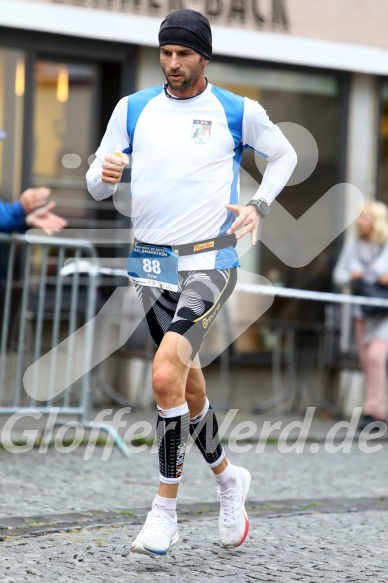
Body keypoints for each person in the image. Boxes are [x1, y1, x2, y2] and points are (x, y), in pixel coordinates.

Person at [86, 9, 297, 556]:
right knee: (187, 387)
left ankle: (164, 511)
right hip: (150, 266)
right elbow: (96, 185)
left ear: (204, 56)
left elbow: (285, 155)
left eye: (183, 54)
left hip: (210, 262)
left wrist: (258, 204)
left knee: (162, 376)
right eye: (166, 53)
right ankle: (230, 480)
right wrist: (104, 176)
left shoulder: (236, 110)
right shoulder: (133, 109)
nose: (173, 64)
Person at [333, 201, 388, 432]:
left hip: (384, 313)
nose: (359, 221)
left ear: (376, 221)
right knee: (368, 363)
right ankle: (377, 412)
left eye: (364, 216)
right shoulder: (353, 245)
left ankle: (372, 411)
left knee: (376, 358)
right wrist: (351, 276)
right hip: (361, 313)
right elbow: (339, 275)